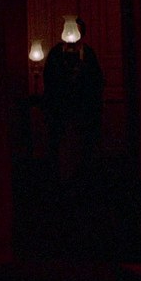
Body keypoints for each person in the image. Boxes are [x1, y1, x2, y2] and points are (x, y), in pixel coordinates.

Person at [43, 17, 104, 183]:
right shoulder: (56, 53)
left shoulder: (88, 54)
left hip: (83, 110)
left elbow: (96, 80)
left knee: (83, 146)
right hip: (60, 109)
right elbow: (50, 79)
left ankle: (84, 178)